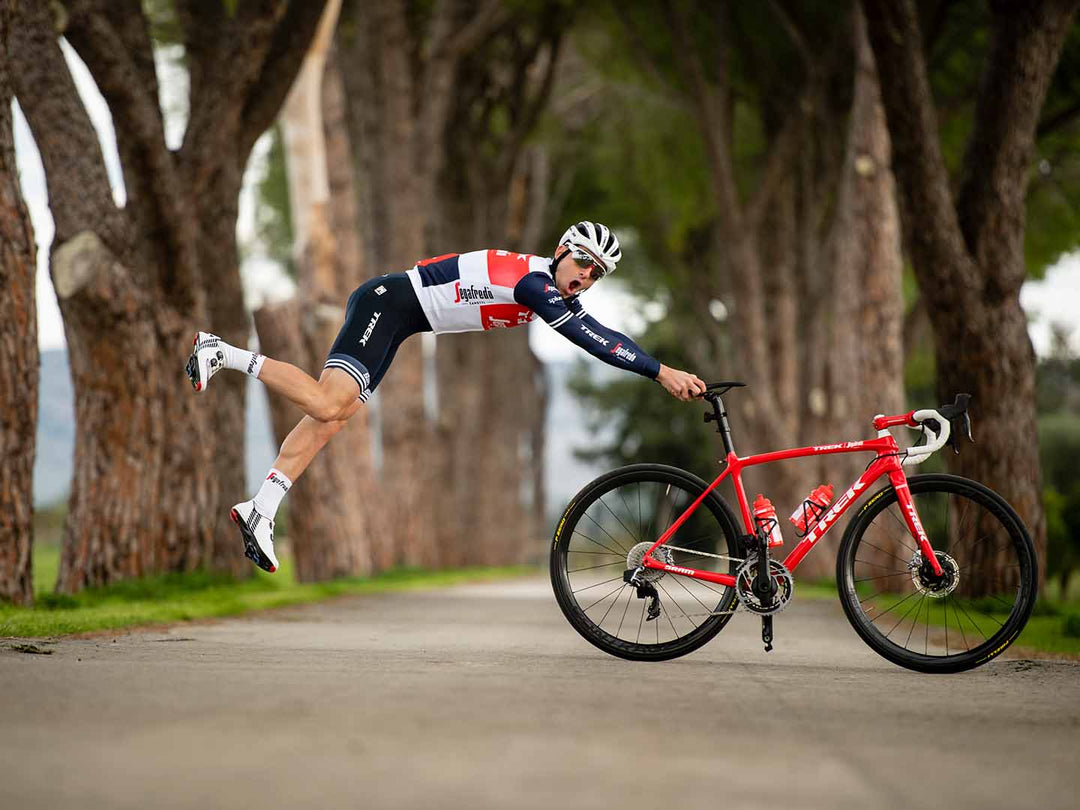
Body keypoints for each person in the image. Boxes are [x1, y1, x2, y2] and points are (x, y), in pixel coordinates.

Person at [186, 221, 707, 572]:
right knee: (326, 403)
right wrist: (659, 370)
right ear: (562, 252)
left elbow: (588, 322)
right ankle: (221, 351)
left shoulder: (546, 283)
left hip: (403, 318)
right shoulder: (536, 283)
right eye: (584, 263)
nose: (586, 277)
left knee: (336, 414)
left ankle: (262, 507)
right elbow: (589, 336)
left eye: (597, 274)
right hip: (389, 304)